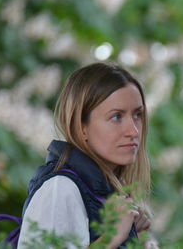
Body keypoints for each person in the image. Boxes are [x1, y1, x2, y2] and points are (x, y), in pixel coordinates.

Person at [17, 62, 155, 249]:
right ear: (81, 127)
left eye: (137, 115)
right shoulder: (60, 189)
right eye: (116, 117)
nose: (133, 131)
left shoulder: (106, 195)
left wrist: (135, 238)